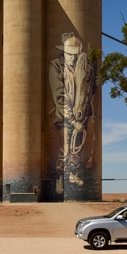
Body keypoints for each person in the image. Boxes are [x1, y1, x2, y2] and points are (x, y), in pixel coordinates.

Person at [49, 33, 97, 194]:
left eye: (75, 54)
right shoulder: (56, 66)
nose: (72, 58)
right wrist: (72, 119)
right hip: (64, 115)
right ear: (64, 52)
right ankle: (60, 178)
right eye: (69, 54)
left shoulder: (84, 66)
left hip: (82, 114)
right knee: (65, 147)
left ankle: (73, 174)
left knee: (77, 147)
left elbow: (91, 89)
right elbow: (59, 96)